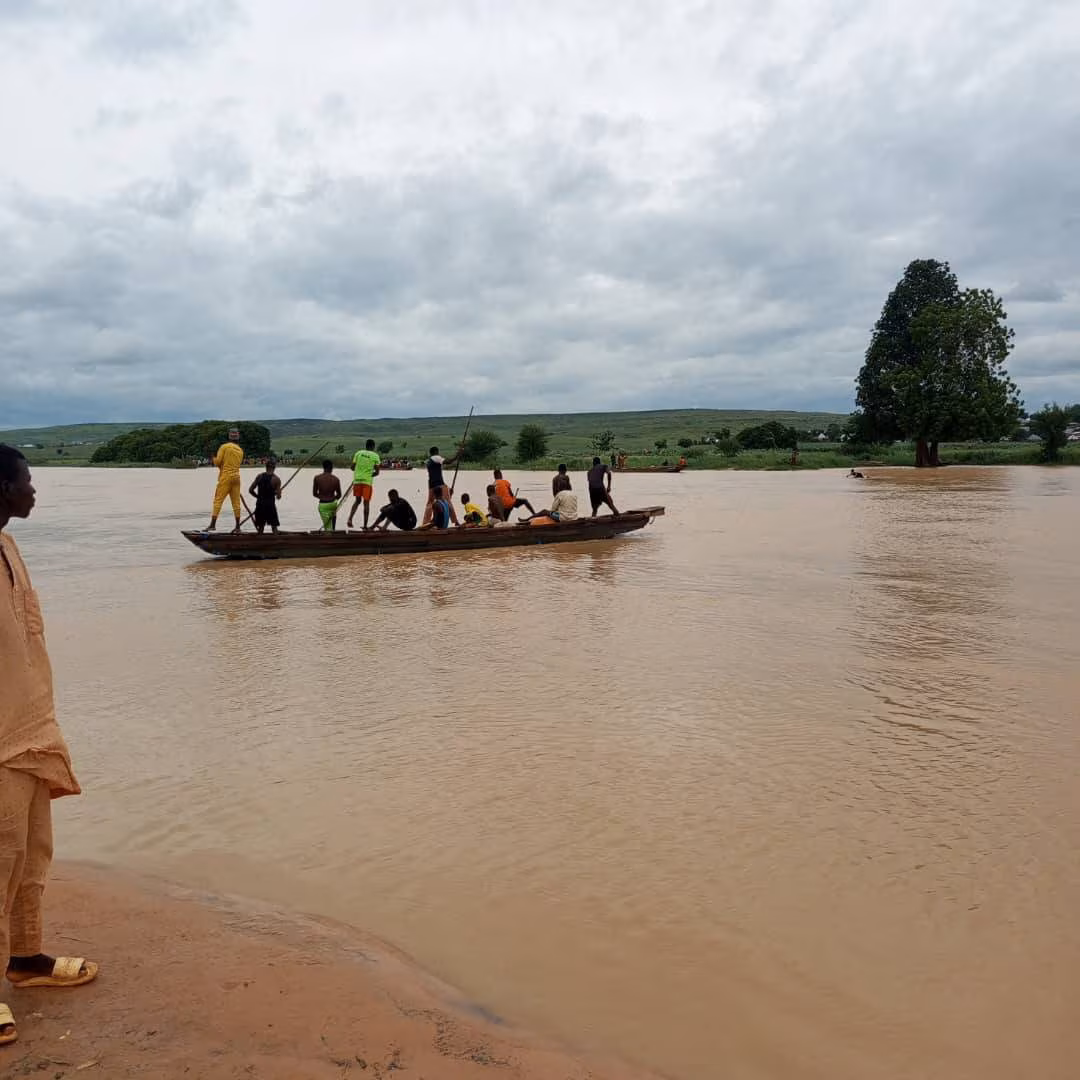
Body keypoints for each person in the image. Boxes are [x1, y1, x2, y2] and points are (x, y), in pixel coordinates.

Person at [1, 445, 99, 1050]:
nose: (33, 491)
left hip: (28, 728)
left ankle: (26, 957)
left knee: (31, 851)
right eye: (26, 481)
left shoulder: (9, 545)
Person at [205, 427, 244, 532]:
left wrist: (212, 457)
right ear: (237, 438)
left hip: (226, 477)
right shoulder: (240, 450)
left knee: (218, 501)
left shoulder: (224, 447)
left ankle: (212, 525)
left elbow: (217, 462)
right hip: (236, 478)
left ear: (229, 437)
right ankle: (237, 527)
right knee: (236, 503)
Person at [346, 439, 381, 530]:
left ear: (366, 446)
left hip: (357, 480)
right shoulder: (375, 456)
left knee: (357, 501)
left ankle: (350, 519)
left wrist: (358, 471)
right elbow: (377, 472)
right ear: (373, 447)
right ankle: (365, 526)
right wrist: (370, 474)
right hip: (367, 482)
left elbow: (352, 467)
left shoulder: (358, 453)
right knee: (366, 503)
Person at [423, 447, 461, 526]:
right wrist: (457, 455)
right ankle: (455, 521)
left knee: (429, 503)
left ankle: (425, 523)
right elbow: (448, 462)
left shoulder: (428, 461)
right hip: (439, 484)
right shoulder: (436, 457)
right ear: (436, 452)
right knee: (448, 502)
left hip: (431, 485)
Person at [247, 458, 282, 534]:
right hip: (270, 506)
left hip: (260, 504)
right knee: (274, 528)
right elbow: (279, 497)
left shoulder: (259, 476)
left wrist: (258, 497)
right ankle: (276, 543)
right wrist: (277, 492)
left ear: (266, 467)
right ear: (274, 467)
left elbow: (250, 490)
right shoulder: (276, 479)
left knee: (260, 528)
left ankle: (259, 542)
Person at [312, 460, 342, 531]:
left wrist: (322, 497)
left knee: (328, 528)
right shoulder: (336, 479)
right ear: (331, 468)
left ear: (323, 467)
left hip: (323, 505)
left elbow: (314, 493)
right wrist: (333, 498)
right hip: (333, 504)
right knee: (332, 525)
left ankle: (329, 537)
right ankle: (333, 534)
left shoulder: (317, 478)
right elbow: (339, 495)